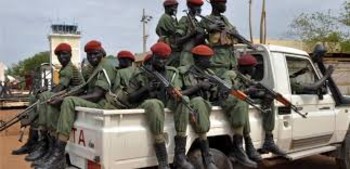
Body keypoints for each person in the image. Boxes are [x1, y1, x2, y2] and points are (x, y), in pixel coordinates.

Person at [34, 40, 117, 169]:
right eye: (89, 55)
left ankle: (58, 154)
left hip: (104, 103)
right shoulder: (94, 67)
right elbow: (83, 88)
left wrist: (66, 98)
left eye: (95, 54)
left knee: (69, 101)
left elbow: (96, 95)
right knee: (63, 98)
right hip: (96, 100)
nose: (92, 57)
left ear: (101, 52)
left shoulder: (106, 66)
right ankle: (52, 147)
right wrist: (65, 95)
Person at [12, 43, 84, 161]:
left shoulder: (69, 69)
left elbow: (60, 88)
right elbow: (60, 87)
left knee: (45, 96)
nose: (61, 57)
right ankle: (33, 141)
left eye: (64, 54)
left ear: (70, 55)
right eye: (59, 55)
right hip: (68, 93)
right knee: (34, 97)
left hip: (76, 95)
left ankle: (44, 143)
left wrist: (47, 92)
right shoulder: (64, 68)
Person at [127, 42, 185, 169]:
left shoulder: (172, 73)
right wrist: (146, 89)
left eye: (164, 59)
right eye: (158, 58)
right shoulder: (140, 73)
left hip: (166, 104)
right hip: (147, 105)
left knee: (183, 99)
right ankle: (163, 162)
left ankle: (180, 155)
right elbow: (130, 98)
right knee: (154, 103)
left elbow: (177, 91)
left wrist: (174, 93)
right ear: (152, 56)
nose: (161, 61)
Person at [177, 45, 222, 169]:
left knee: (201, 102)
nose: (210, 61)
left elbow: (214, 96)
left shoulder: (211, 74)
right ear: (198, 59)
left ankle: (208, 157)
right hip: (187, 105)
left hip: (204, 108)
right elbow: (178, 93)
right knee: (197, 101)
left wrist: (216, 89)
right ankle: (207, 157)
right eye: (207, 59)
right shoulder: (183, 72)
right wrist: (198, 86)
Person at [237, 54, 287, 162]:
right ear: (245, 67)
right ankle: (248, 143)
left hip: (246, 97)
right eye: (253, 67)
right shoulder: (233, 75)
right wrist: (248, 91)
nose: (255, 69)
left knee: (269, 97)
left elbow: (249, 89)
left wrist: (262, 93)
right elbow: (233, 92)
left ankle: (269, 140)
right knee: (242, 104)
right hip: (238, 101)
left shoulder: (246, 78)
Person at [199, 0, 240, 76]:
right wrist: (209, 29)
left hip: (229, 63)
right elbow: (198, 38)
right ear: (215, 4)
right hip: (216, 65)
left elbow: (235, 33)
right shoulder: (206, 20)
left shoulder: (224, 19)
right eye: (223, 3)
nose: (225, 6)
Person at [176, 0, 206, 66]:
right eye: (197, 7)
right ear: (190, 7)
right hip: (187, 57)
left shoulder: (196, 22)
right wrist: (191, 35)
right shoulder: (185, 20)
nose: (199, 9)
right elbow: (177, 40)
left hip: (197, 56)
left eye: (200, 7)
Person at [156, 0, 181, 67]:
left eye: (176, 7)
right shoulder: (165, 17)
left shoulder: (170, 18)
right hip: (168, 45)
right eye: (174, 7)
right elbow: (174, 32)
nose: (175, 10)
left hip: (170, 44)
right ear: (167, 8)